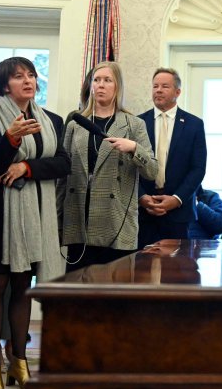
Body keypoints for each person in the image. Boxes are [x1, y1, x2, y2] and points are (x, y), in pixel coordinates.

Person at [0, 57, 69, 389]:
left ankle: (19, 360)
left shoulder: (51, 119)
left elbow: (63, 163)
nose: (28, 80)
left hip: (36, 215)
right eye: (18, 76)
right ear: (4, 85)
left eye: (31, 74)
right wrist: (11, 140)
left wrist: (26, 168)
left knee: (22, 285)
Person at [62, 61, 156, 270]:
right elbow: (63, 175)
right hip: (80, 219)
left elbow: (152, 171)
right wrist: (57, 218)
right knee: (78, 295)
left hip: (116, 220)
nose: (100, 85)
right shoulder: (75, 124)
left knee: (114, 297)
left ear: (117, 87)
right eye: (96, 80)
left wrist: (134, 148)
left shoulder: (134, 125)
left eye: (107, 80)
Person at [138, 68, 206, 248]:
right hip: (144, 212)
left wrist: (176, 199)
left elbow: (198, 168)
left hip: (179, 213)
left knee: (177, 273)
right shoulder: (138, 123)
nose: (158, 90)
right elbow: (129, 167)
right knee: (142, 272)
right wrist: (142, 197)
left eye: (165, 86)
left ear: (178, 92)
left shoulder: (194, 125)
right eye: (155, 86)